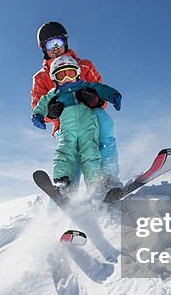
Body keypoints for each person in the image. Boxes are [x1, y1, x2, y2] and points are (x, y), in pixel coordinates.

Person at [30, 21, 120, 186]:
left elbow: (101, 92)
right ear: (44, 48)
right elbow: (38, 106)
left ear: (66, 41)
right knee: (72, 154)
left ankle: (108, 181)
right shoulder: (41, 77)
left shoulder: (84, 65)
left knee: (104, 129)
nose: (55, 48)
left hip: (91, 116)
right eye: (50, 44)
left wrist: (96, 100)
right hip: (64, 124)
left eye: (58, 42)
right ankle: (66, 192)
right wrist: (50, 113)